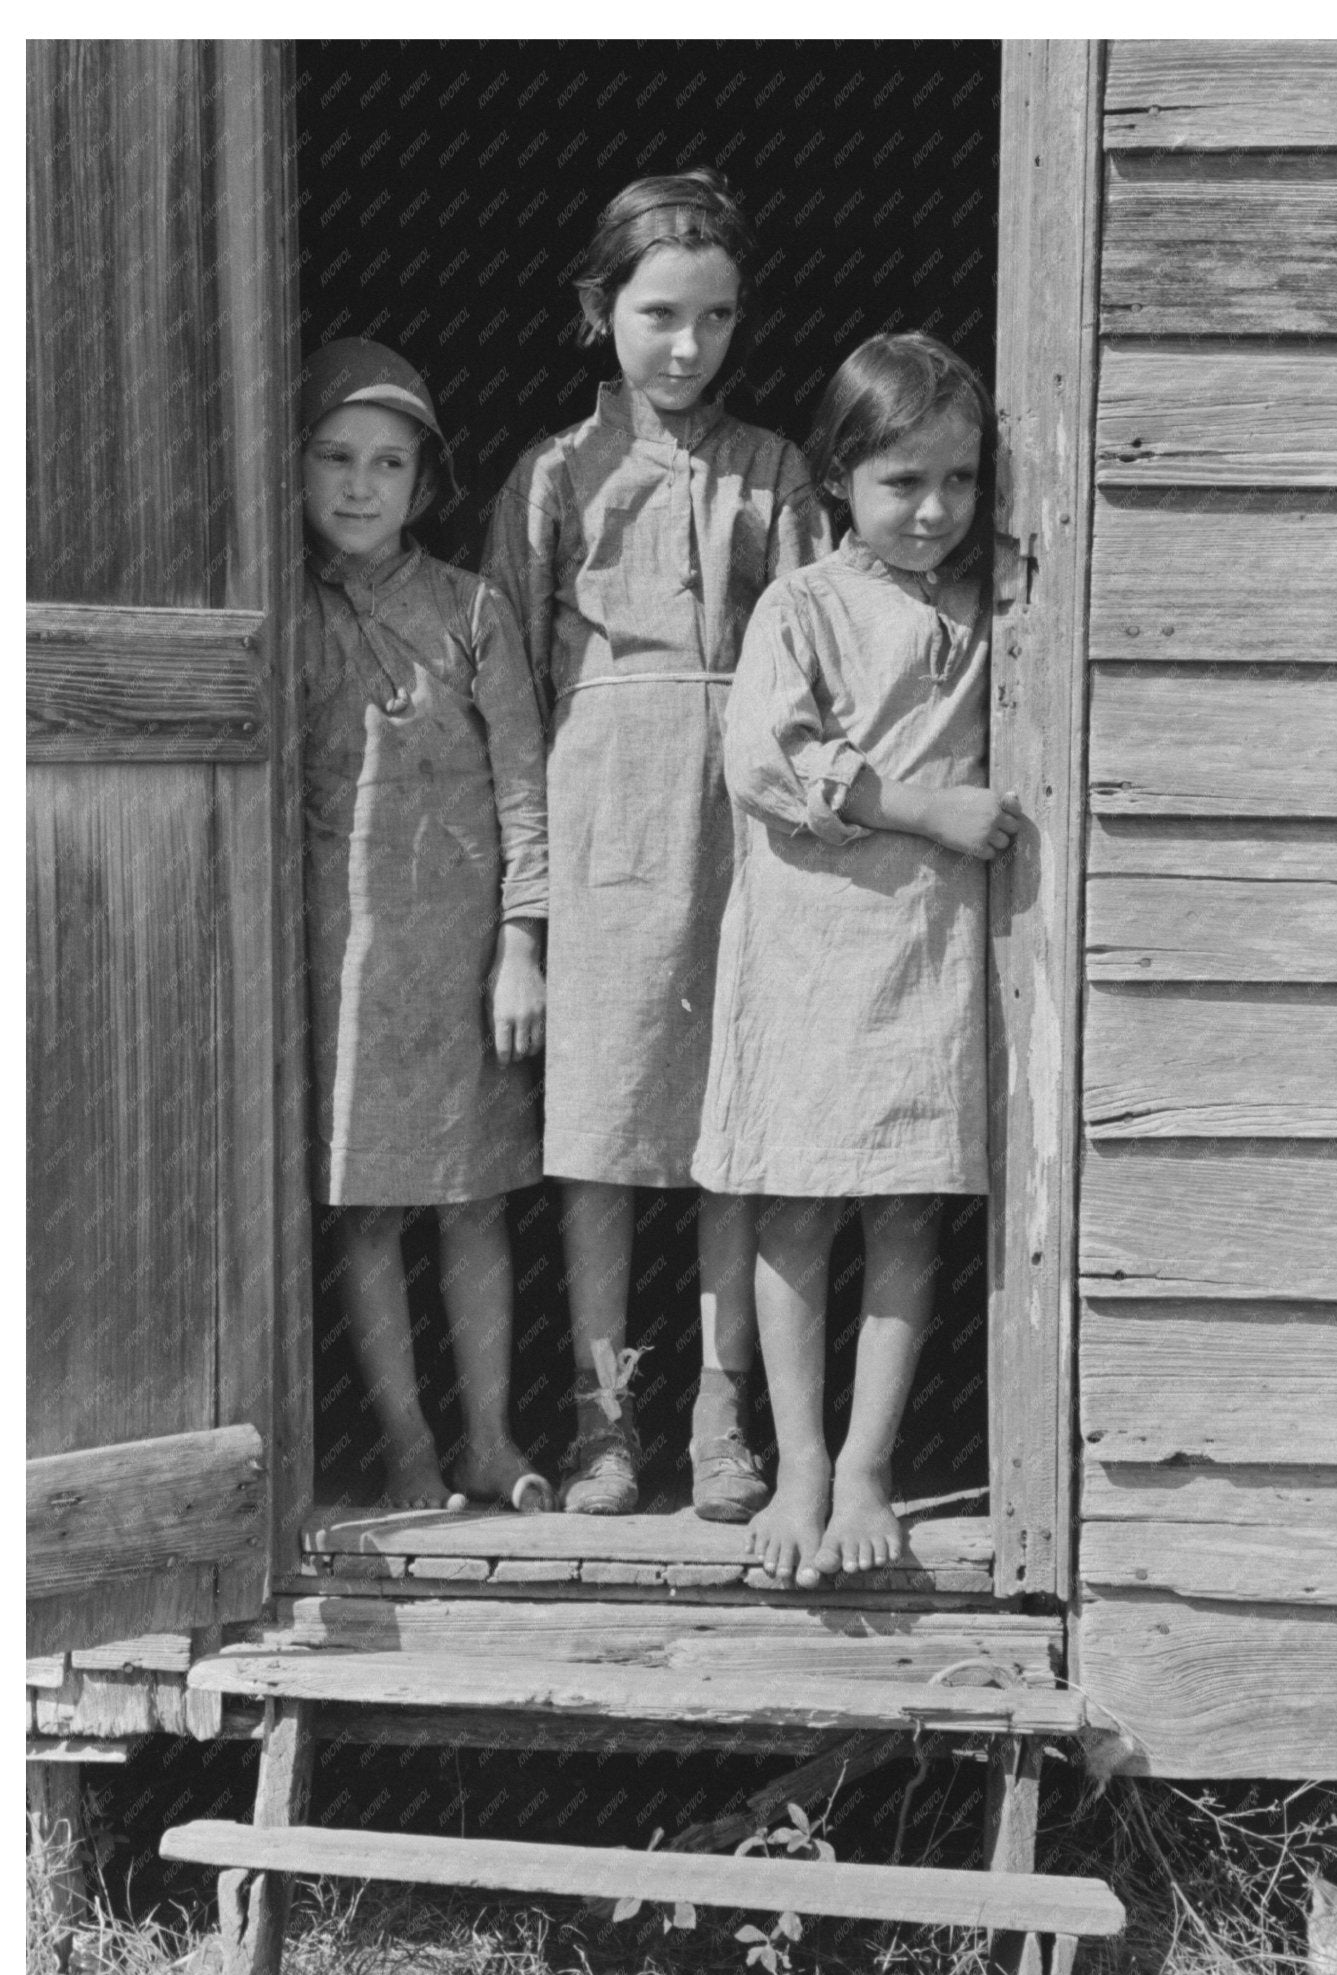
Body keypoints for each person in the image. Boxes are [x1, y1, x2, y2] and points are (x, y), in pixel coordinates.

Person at [483, 170, 832, 1518]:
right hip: (598, 827)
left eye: (717, 318)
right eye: (659, 315)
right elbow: (507, 685)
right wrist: (522, 902)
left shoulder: (779, 474)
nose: (688, 347)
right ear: (600, 311)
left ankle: (719, 1408)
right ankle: (602, 1415)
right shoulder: (550, 478)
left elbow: (812, 661)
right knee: (605, 1125)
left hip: (737, 829)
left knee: (727, 1125)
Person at [691, 332, 1023, 1586]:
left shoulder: (997, 600)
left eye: (959, 479)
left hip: (929, 955)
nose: (934, 508)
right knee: (795, 1204)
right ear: (839, 480)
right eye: (902, 483)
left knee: (906, 1204)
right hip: (813, 947)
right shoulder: (806, 604)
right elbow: (765, 761)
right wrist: (922, 807)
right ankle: (803, 1460)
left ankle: (874, 1460)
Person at [300, 337, 553, 1514]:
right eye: (336, 456)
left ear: (426, 479)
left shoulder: (472, 611)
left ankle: (489, 1439)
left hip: (459, 959)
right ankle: (404, 1444)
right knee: (365, 1207)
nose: (360, 485)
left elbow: (524, 791)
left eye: (387, 462)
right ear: (295, 466)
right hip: (334, 963)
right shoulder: (281, 617)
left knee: (472, 1199)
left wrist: (523, 941)